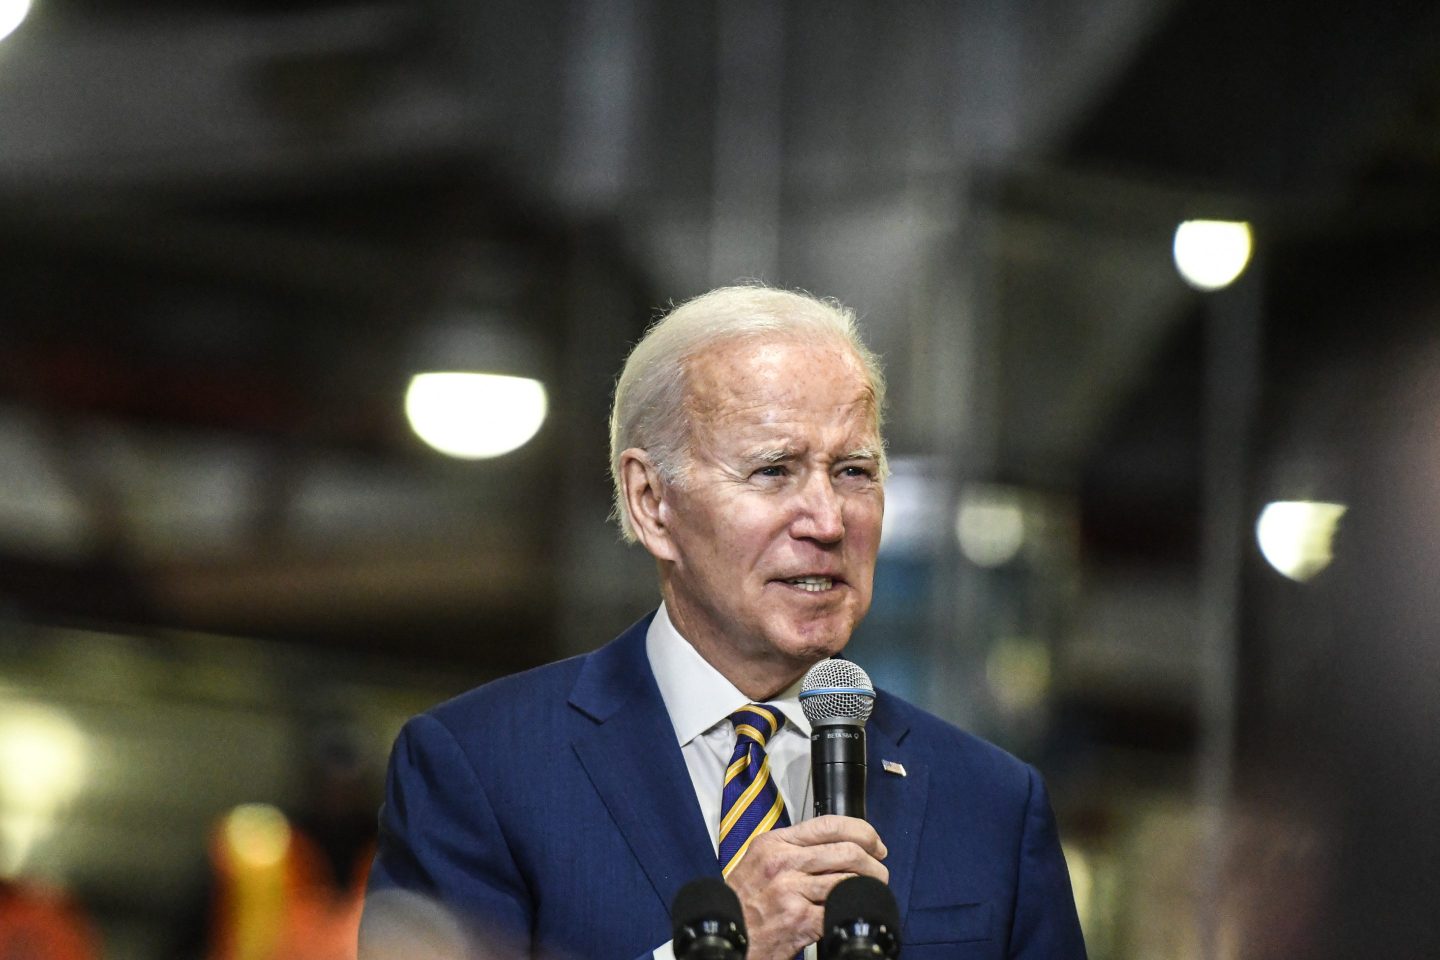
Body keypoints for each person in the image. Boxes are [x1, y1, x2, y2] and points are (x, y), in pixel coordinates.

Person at [360, 284, 1086, 960]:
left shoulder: (991, 803)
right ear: (651, 502)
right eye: (774, 470)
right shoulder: (482, 769)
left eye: (854, 472)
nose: (828, 521)